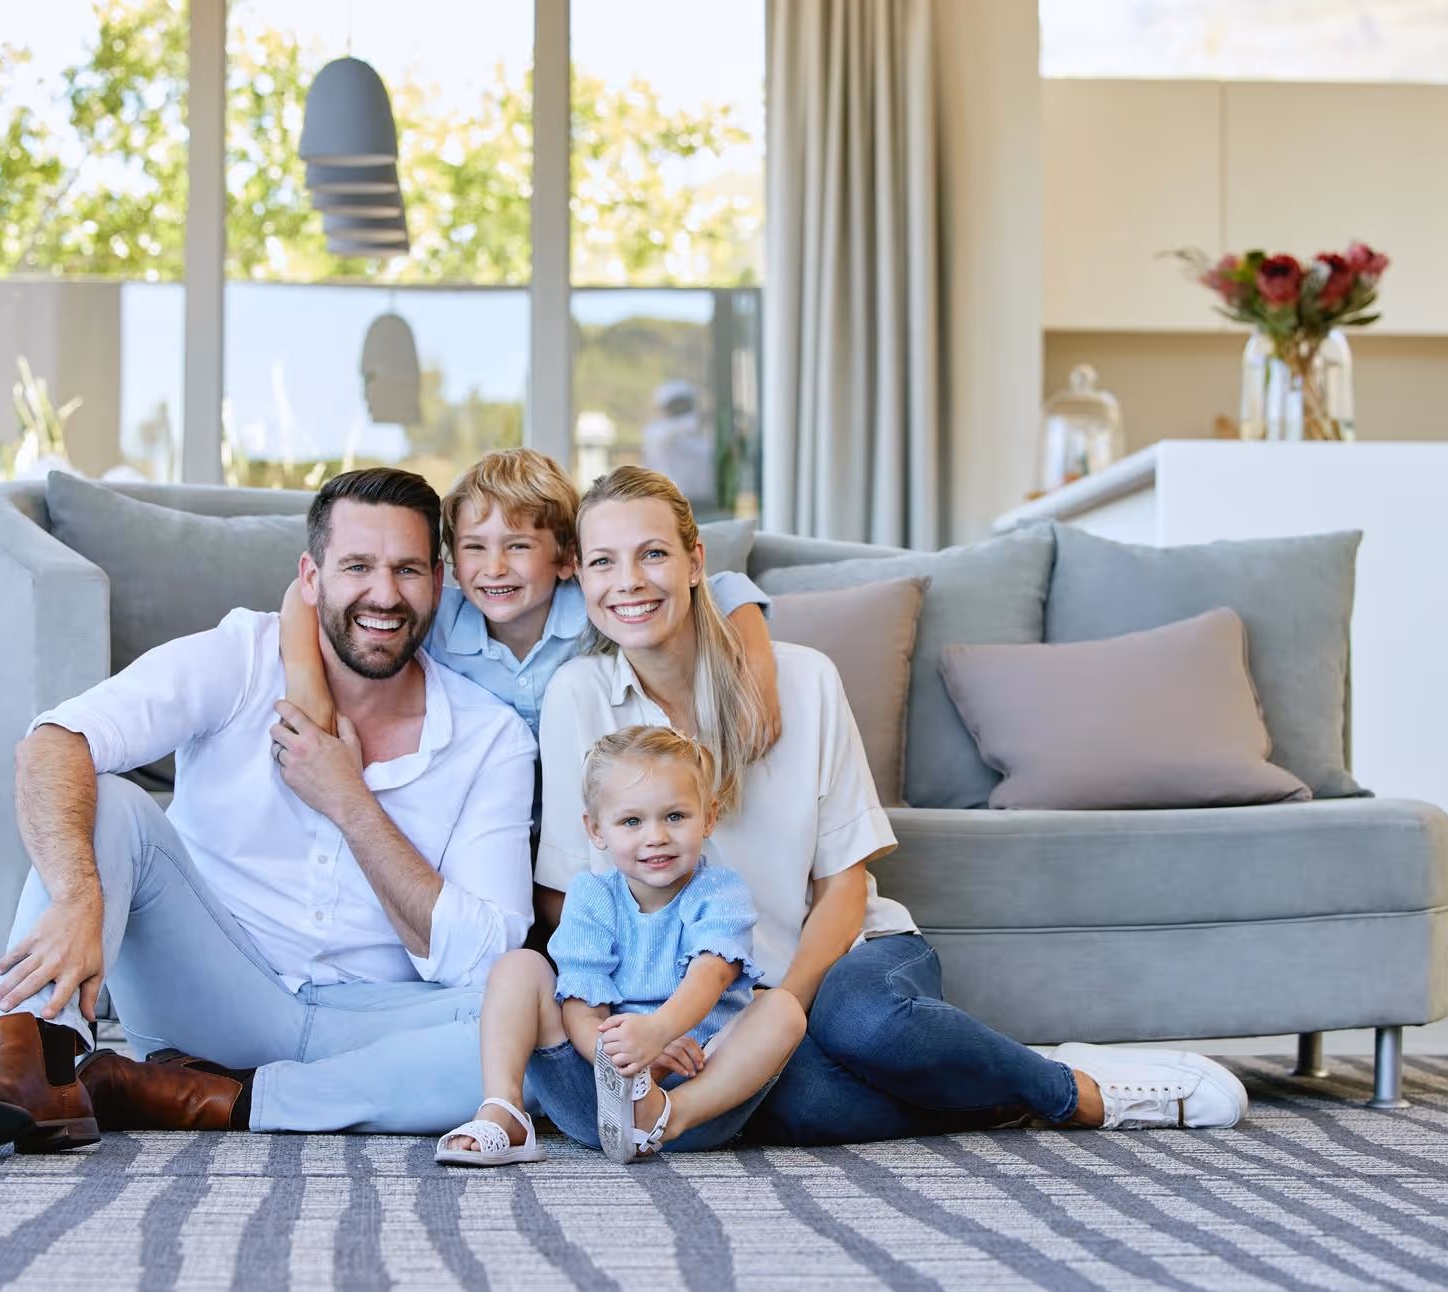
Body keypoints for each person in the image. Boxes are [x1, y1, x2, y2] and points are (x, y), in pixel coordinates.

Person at [533, 466, 1250, 1144]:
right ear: (580, 576)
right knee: (790, 1100)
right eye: (603, 562)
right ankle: (979, 1076)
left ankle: (1076, 1091)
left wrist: (787, 1003)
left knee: (867, 1028)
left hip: (844, 960)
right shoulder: (576, 696)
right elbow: (570, 897)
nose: (628, 582)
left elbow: (843, 885)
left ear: (696, 562)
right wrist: (653, 1023)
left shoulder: (804, 679)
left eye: (652, 554)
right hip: (702, 1008)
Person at [0, 468, 539, 1155]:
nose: (384, 594)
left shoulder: (492, 737)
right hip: (210, 994)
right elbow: (52, 745)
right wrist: (77, 893)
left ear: (440, 580)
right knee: (109, 801)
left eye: (407, 571)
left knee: (538, 1022)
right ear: (311, 578)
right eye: (357, 566)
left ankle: (209, 1098)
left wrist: (350, 801)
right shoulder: (241, 656)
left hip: (374, 1016)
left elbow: (488, 955)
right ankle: (33, 1062)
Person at [435, 726, 806, 1166]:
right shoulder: (593, 897)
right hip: (593, 1095)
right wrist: (626, 1064)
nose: (656, 836)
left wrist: (660, 1031)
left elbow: (713, 973)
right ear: (596, 830)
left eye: (675, 816)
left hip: (698, 1094)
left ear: (708, 817)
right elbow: (580, 1004)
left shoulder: (719, 892)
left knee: (782, 1008)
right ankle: (504, 1110)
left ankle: (664, 1117)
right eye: (632, 821)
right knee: (520, 966)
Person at [280, 447, 780, 745]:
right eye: (475, 548)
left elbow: (723, 589)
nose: (495, 568)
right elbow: (303, 597)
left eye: (518, 546)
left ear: (567, 560)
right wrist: (307, 684)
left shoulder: (594, 609)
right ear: (451, 562)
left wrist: (757, 670)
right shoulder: (437, 618)